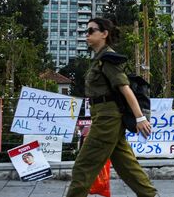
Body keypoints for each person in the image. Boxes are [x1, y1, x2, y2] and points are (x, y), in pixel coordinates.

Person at [67, 18, 157, 197]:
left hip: (108, 119)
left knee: (83, 166)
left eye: (91, 31)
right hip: (105, 117)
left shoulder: (108, 59)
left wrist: (140, 118)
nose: (87, 34)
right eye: (87, 31)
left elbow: (125, 89)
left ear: (104, 34)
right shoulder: (99, 59)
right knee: (126, 165)